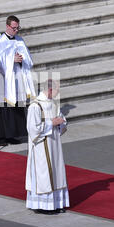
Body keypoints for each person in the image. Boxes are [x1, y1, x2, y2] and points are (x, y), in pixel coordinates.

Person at [25, 79, 69, 214]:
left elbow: (61, 120)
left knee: (56, 171)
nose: (58, 93)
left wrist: (61, 122)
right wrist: (52, 123)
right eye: (57, 90)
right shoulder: (35, 106)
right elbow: (32, 129)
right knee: (44, 174)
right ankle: (43, 205)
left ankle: (56, 203)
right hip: (41, 146)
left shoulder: (54, 104)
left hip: (54, 145)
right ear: (50, 90)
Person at [0, 15, 36, 145]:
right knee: (4, 108)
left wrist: (22, 60)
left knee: (17, 105)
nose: (16, 31)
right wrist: (12, 60)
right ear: (7, 26)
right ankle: (3, 137)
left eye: (18, 28)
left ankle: (15, 134)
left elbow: (29, 60)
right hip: (5, 81)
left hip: (18, 79)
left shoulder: (20, 41)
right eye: (14, 28)